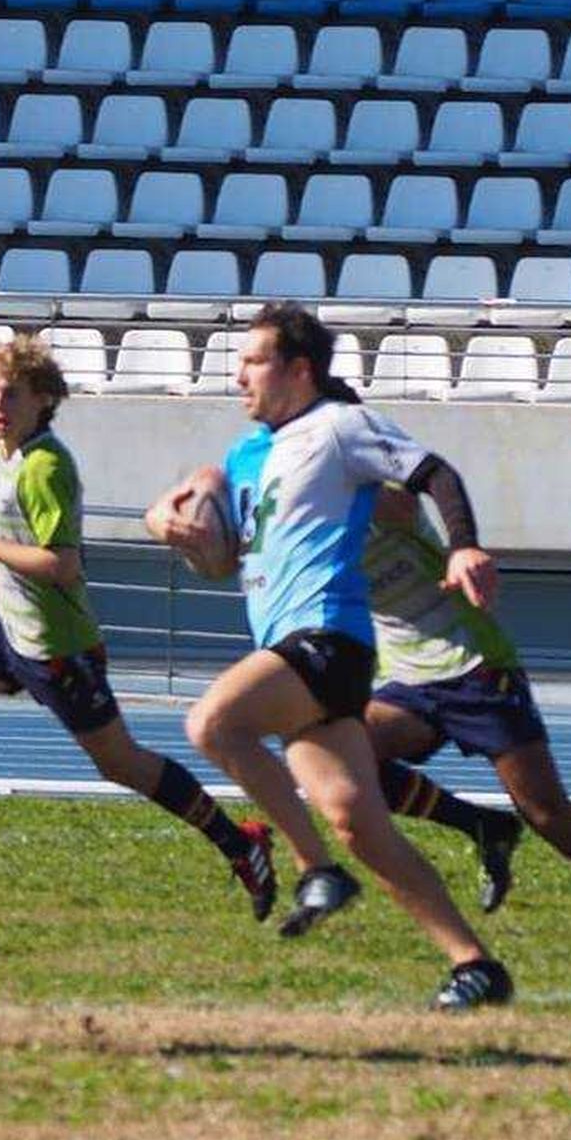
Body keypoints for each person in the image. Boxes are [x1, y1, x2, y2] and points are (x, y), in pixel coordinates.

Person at [145, 302, 514, 1011]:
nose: (238, 374)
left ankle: (316, 868)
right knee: (358, 819)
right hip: (290, 647)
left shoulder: (339, 427)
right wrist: (173, 524)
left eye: (253, 361)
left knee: (214, 725)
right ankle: (475, 965)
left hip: (327, 638)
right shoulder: (248, 453)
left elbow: (433, 472)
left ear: (299, 370)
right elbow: (226, 559)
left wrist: (464, 542)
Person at [0, 336, 278, 923]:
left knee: (123, 765)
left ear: (43, 399)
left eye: (11, 393)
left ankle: (241, 844)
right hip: (8, 630)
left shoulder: (46, 466)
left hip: (57, 649)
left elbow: (63, 565)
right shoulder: (10, 450)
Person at [361, 485, 571, 989]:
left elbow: (403, 504)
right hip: (406, 683)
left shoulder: (364, 482)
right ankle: (480, 825)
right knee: (347, 757)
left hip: (474, 667)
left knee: (549, 815)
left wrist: (325, 489)